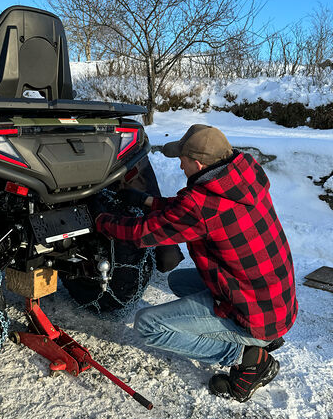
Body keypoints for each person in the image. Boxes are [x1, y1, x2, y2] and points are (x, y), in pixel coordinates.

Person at [95, 124, 298, 403]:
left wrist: (99, 221)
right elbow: (189, 211)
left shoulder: (202, 206)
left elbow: (142, 234)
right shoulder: (243, 176)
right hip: (275, 302)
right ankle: (257, 339)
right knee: (177, 281)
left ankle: (248, 356)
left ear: (199, 163)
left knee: (147, 326)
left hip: (256, 315)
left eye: (183, 160)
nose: (180, 165)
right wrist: (147, 200)